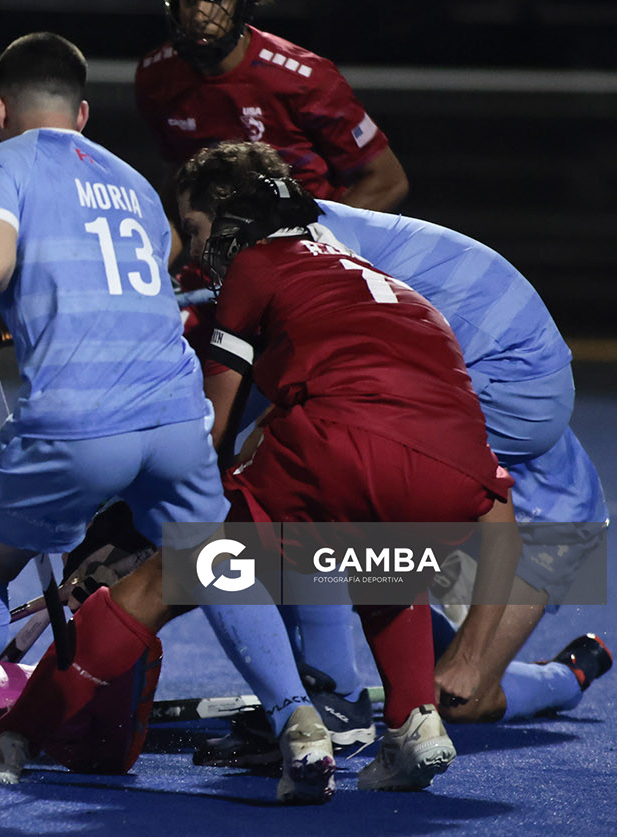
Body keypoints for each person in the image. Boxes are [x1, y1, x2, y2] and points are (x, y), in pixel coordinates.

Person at [0, 145, 521, 801]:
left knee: (168, 576)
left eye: (200, 228)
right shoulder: (382, 284)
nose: (196, 250)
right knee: (382, 555)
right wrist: (471, 652)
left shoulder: (255, 266)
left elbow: (208, 430)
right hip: (453, 475)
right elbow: (499, 511)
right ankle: (415, 720)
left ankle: (11, 735)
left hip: (342, 446)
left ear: (233, 222)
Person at [170, 142, 609, 761]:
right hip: (536, 391)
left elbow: (231, 428)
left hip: (504, 376)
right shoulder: (307, 231)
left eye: (192, 230)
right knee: (461, 696)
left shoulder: (285, 254)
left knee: (309, 466)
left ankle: (335, 696)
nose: (192, 252)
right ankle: (569, 675)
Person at [0, 32, 229, 797]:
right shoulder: (133, 177)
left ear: (1, 108)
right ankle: (306, 712)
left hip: (79, 419)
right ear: (84, 111)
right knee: (218, 560)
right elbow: (161, 257)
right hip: (179, 413)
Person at [135, 0, 408, 212]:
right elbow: (178, 177)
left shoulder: (306, 79)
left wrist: (318, 244)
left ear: (243, 4)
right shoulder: (156, 75)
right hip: (217, 246)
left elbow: (387, 181)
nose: (199, 14)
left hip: (302, 237)